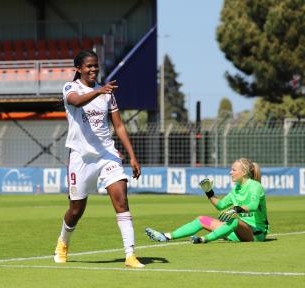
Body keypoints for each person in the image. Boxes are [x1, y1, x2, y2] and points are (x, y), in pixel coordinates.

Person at [53, 50, 144, 268]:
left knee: (121, 199)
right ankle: (63, 242)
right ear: (78, 69)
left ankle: (130, 254)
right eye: (89, 66)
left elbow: (119, 125)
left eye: (96, 66)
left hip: (107, 154)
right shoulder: (70, 88)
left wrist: (132, 156)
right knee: (76, 209)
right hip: (81, 157)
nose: (93, 69)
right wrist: (99, 91)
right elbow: (76, 102)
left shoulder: (107, 93)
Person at [145, 158, 269, 244]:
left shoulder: (255, 186)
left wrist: (236, 209)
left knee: (234, 221)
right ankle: (166, 236)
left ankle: (204, 239)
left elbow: (253, 205)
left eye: (234, 170)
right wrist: (209, 192)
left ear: (244, 172)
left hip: (255, 234)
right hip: (235, 232)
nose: (230, 172)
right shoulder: (235, 189)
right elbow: (220, 205)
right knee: (201, 219)